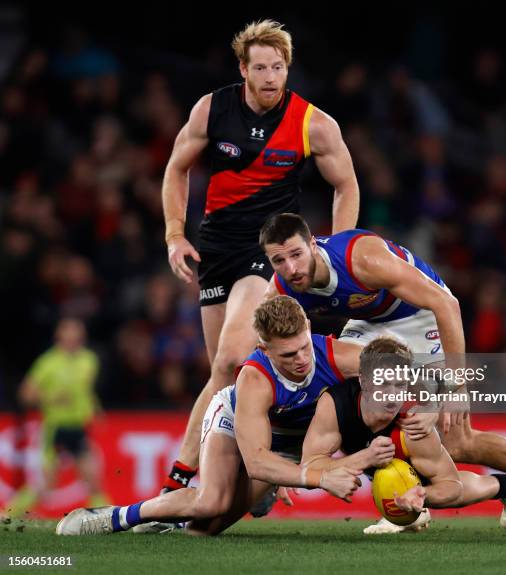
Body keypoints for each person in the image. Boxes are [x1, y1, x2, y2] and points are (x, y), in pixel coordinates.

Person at [260, 213, 506, 536]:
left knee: (458, 442)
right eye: (279, 260)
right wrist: (290, 469)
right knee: (349, 397)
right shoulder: (281, 290)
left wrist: (453, 389)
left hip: (421, 316)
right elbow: (272, 360)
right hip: (370, 324)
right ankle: (407, 503)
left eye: (296, 254)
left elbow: (447, 304)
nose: (290, 268)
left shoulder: (363, 259)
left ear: (313, 245)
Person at [160, 19, 359, 496]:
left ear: (287, 69)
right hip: (216, 251)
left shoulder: (313, 122)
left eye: (279, 67)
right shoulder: (212, 109)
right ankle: (258, 472)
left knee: (231, 359)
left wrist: (338, 247)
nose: (271, 76)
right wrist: (174, 234)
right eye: (261, 67)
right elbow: (175, 168)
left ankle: (177, 482)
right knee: (225, 376)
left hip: (266, 251)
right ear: (243, 69)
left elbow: (346, 183)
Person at [56, 296, 362, 536]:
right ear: (264, 349)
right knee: (211, 502)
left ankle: (176, 519)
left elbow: (405, 369)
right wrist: (321, 478)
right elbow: (256, 461)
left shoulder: (340, 355)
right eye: (288, 355)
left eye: (304, 347)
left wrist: (412, 414)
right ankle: (117, 517)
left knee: (203, 530)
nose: (302, 360)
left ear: (308, 327)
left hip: (287, 444)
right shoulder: (255, 377)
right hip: (236, 422)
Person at [301, 337, 506, 527]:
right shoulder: (335, 404)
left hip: (406, 449)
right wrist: (365, 458)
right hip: (370, 448)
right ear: (363, 380)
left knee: (435, 483)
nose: (393, 395)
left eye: (400, 385)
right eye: (384, 384)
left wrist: (423, 495)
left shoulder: (413, 423)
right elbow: (308, 467)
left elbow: (451, 485)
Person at [4, 318, 108, 518]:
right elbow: (25, 394)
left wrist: (95, 409)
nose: (73, 337)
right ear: (58, 335)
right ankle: (8, 513)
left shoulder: (89, 360)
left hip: (78, 427)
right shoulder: (48, 363)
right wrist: (51, 398)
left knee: (93, 478)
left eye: (77, 332)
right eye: (68, 332)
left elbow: (86, 391)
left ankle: (106, 519)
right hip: (56, 428)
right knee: (47, 482)